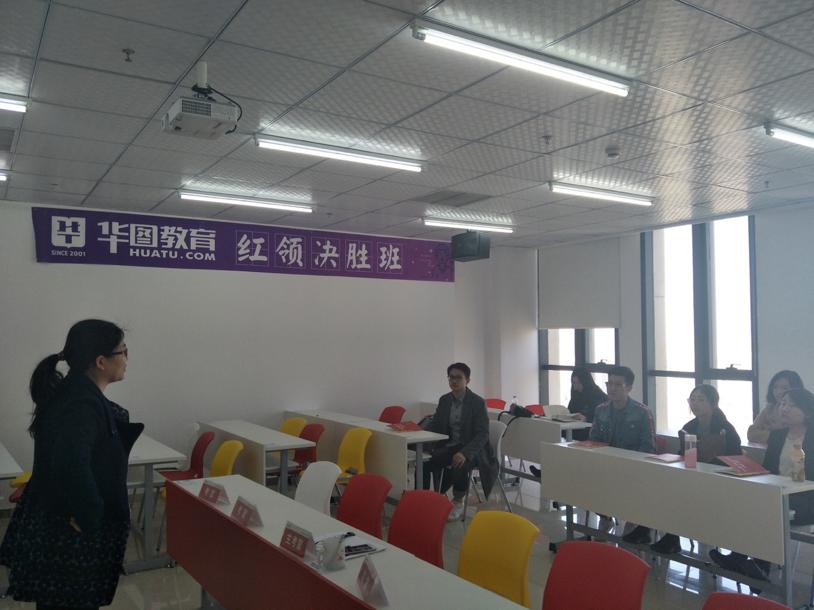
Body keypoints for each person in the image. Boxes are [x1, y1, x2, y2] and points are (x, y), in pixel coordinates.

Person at [0, 320, 143, 610]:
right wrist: (91, 515)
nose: (127, 359)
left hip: (61, 529)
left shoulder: (75, 393)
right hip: (69, 539)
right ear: (101, 361)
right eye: (123, 351)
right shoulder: (82, 404)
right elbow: (70, 464)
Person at [711, 388, 814, 583]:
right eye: (783, 404)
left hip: (807, 497)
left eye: (792, 405)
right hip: (778, 493)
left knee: (766, 508)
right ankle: (748, 562)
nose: (784, 409)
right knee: (747, 503)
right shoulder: (777, 435)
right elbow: (769, 470)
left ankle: (758, 565)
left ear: (807, 411)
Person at [650, 384, 742, 554]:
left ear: (713, 403)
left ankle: (673, 537)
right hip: (694, 477)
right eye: (692, 399)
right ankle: (670, 537)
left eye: (701, 400)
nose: (695, 404)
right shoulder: (689, 426)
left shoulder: (725, 429)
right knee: (665, 491)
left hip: (719, 480)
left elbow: (735, 458)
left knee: (682, 496)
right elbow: (684, 454)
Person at [422, 362, 497, 521]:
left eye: (458, 377)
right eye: (451, 377)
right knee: (424, 462)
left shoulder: (477, 402)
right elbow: (437, 424)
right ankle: (422, 498)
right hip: (450, 445)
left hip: (473, 449)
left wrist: (465, 453)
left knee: (459, 461)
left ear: (467, 380)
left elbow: (483, 434)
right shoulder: (445, 400)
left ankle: (458, 500)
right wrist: (419, 430)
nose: (454, 381)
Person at [590, 365, 655, 543]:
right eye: (609, 383)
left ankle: (633, 523)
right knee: (585, 479)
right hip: (606, 467)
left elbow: (648, 447)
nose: (612, 388)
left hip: (633, 470)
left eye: (618, 384)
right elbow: (593, 440)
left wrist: (629, 465)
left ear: (629, 387)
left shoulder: (642, 413)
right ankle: (605, 517)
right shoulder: (601, 410)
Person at [747, 370, 804, 444]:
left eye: (784, 388)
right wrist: (775, 434)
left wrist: (768, 432)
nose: (778, 392)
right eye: (775, 387)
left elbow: (792, 436)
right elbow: (751, 434)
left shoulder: (801, 411)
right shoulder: (769, 408)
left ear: (796, 389)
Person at [567, 367, 607, 440]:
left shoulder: (596, 395)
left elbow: (601, 417)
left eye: (578, 383)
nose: (575, 387)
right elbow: (570, 410)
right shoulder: (576, 393)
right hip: (575, 427)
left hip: (589, 430)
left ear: (585, 382)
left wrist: (586, 418)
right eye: (574, 383)